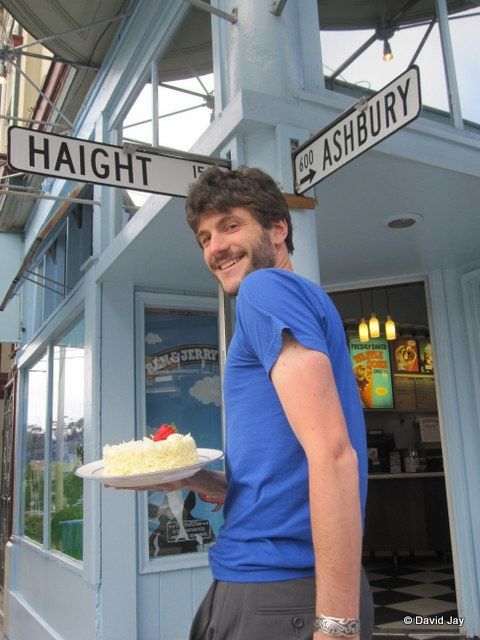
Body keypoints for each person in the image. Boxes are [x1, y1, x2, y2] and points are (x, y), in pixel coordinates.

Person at [137, 166, 373, 639]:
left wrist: (336, 628)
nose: (214, 248)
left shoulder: (266, 290)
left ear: (277, 228)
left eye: (230, 226)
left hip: (277, 594)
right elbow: (290, 474)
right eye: (204, 237)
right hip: (282, 591)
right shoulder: (304, 299)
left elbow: (333, 454)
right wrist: (198, 478)